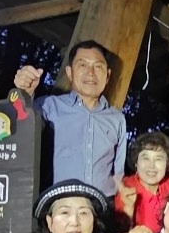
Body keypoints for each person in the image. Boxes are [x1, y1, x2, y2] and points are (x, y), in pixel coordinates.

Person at [13, 40, 126, 199]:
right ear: (69, 72)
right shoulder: (49, 106)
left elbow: (119, 174)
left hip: (103, 207)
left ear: (107, 76)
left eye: (98, 66)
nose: (91, 72)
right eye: (83, 65)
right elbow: (19, 128)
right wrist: (24, 94)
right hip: (59, 204)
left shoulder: (117, 119)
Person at [114, 132, 169, 233]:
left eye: (158, 159)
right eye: (145, 158)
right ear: (136, 163)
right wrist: (129, 211)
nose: (151, 166)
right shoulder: (127, 189)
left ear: (167, 164)